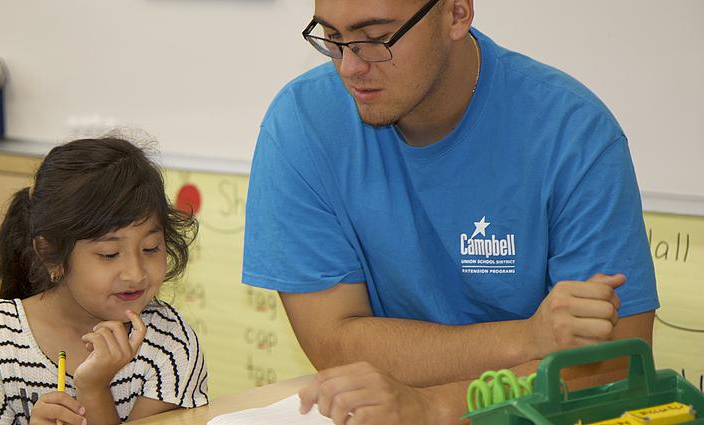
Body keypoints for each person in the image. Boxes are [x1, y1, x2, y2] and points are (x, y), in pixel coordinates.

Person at [242, 0, 659, 422]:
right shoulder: (300, 124)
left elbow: (612, 367)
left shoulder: (573, 132)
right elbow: (335, 343)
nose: (349, 67)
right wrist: (529, 338)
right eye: (332, 37)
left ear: (457, 13)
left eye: (375, 38)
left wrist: (436, 406)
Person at [0, 137, 208, 425]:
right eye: (109, 254)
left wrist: (94, 390)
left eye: (150, 248)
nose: (135, 273)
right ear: (51, 255)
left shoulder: (170, 345)